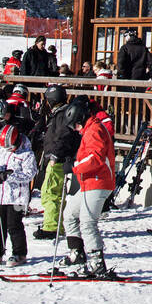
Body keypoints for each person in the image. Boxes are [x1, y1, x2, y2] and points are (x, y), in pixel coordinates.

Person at [59, 103, 116, 278]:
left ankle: (97, 263)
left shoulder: (95, 130)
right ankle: (77, 253)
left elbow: (96, 158)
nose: (76, 129)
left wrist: (75, 166)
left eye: (76, 125)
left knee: (87, 222)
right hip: (89, 182)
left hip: (99, 182)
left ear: (82, 119)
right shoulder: (89, 129)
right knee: (69, 214)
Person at [0, 116, 38, 267]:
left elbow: (30, 174)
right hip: (2, 195)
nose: (8, 150)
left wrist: (8, 175)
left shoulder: (27, 154)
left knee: (14, 225)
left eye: (10, 147)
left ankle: (19, 253)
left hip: (19, 198)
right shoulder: (3, 150)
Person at [32, 85, 74, 240]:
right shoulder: (60, 113)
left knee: (51, 192)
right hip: (56, 157)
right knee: (51, 191)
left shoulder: (62, 114)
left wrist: (55, 155)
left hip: (57, 159)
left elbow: (63, 136)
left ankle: (51, 227)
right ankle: (56, 224)